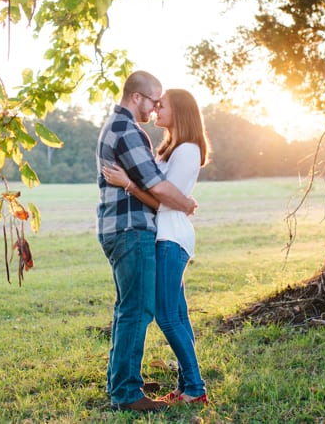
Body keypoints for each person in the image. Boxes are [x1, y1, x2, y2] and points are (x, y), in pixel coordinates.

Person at [97, 72, 198, 413]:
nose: (156, 108)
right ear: (137, 97)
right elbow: (156, 186)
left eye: (161, 104)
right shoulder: (128, 130)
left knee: (129, 308)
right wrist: (185, 204)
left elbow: (152, 188)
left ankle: (122, 379)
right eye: (154, 100)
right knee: (137, 311)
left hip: (121, 228)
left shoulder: (117, 126)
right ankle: (127, 392)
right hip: (131, 229)